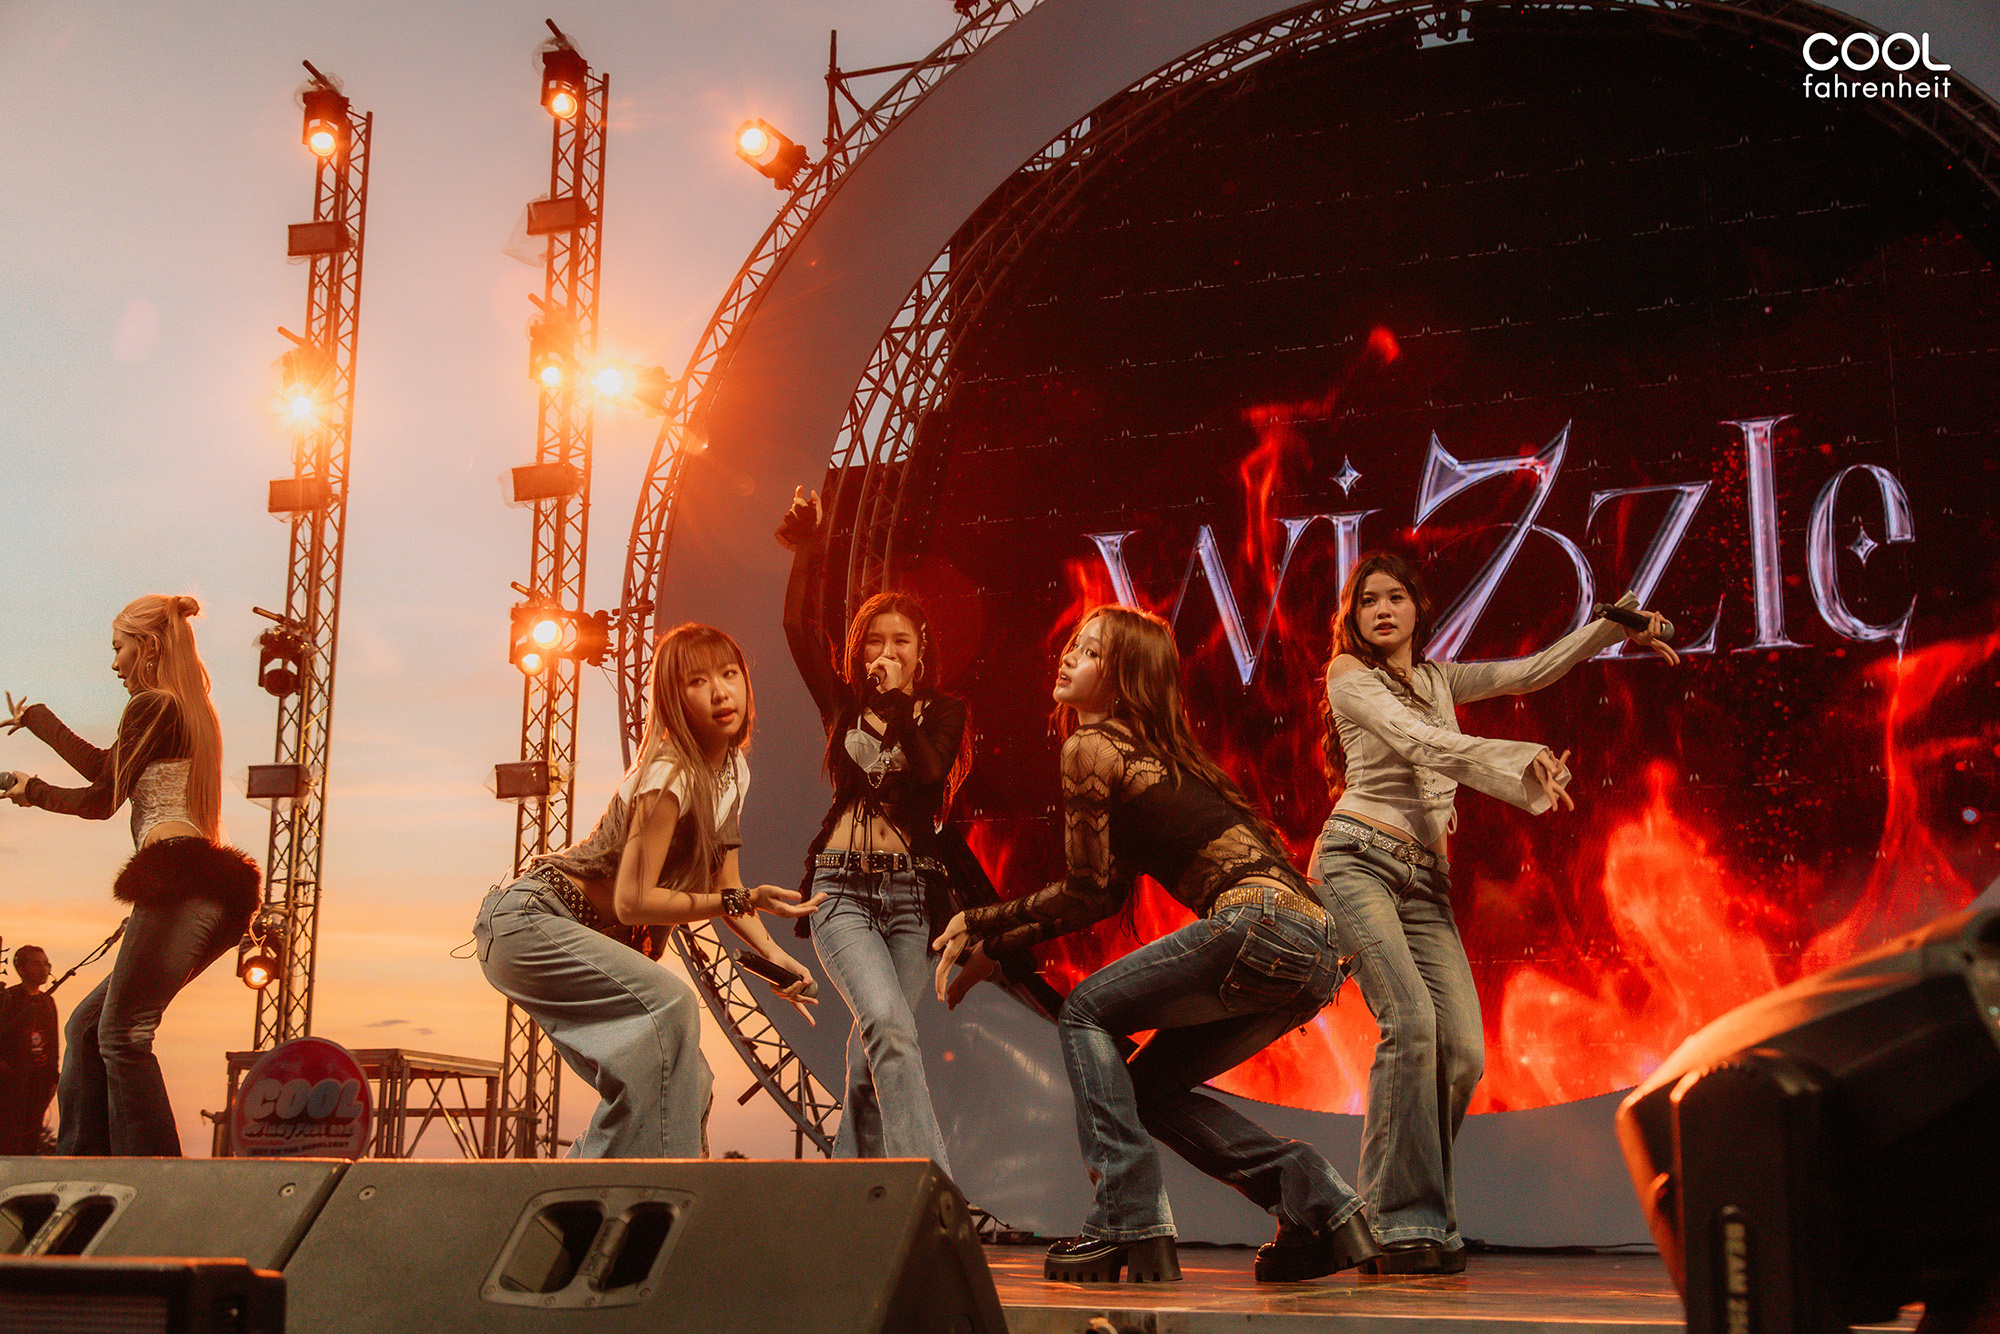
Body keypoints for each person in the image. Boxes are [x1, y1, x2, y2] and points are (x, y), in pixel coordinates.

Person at [934, 605, 1381, 1285]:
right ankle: (1317, 1201)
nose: (1068, 656)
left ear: (1124, 675)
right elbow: (1102, 895)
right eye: (1073, 644)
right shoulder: (1163, 759)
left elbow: (1085, 888)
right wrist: (995, 946)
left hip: (1259, 924)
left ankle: (1127, 1217)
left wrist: (979, 921)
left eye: (1090, 651)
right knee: (1148, 1089)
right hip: (1315, 950)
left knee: (1085, 1012)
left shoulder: (1092, 747)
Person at [1313, 552, 1677, 1274]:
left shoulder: (1439, 679)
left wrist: (1612, 627)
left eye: (1395, 598)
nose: (1381, 610)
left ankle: (1406, 1214)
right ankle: (1398, 1221)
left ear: (1418, 609)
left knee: (1461, 1054)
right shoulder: (1348, 675)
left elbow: (1530, 671)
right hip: (1357, 860)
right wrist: (1517, 758)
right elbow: (1417, 739)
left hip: (1426, 882)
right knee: (1411, 1025)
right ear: (1352, 619)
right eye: (1367, 601)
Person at [475, 622, 822, 1159]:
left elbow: (727, 885)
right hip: (531, 923)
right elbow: (633, 902)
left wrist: (776, 956)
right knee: (670, 1005)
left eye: (730, 674)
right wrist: (742, 900)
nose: (720, 692)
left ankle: (607, 1196)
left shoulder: (732, 771)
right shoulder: (669, 774)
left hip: (563, 931)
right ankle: (636, 1192)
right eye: (697, 681)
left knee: (687, 1081)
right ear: (673, 699)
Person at [2, 594, 259, 1156]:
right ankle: (86, 1160)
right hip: (205, 889)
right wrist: (37, 720)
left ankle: (149, 1172)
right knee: (86, 1028)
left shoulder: (153, 703)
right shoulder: (184, 711)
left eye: (118, 647)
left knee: (122, 1034)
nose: (114, 663)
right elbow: (106, 769)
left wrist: (34, 791)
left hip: (178, 883)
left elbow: (102, 799)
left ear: (148, 646)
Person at [776, 487, 979, 1172]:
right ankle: (930, 1186)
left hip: (911, 900)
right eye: (874, 641)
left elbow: (928, 774)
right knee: (889, 1028)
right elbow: (798, 628)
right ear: (859, 651)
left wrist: (896, 703)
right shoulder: (842, 705)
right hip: (841, 893)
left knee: (874, 1054)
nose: (885, 651)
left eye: (900, 641)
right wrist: (808, 550)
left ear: (921, 652)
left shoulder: (943, 713)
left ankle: (847, 1193)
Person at [0, 946, 59, 1153]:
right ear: (21, 968)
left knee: (30, 1140)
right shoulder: (8, 998)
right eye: (37, 963)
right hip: (11, 1084)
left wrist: (53, 1079)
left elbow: (53, 1044)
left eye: (46, 964)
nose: (44, 969)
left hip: (38, 1083)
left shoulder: (47, 1001)